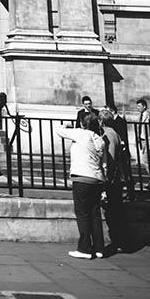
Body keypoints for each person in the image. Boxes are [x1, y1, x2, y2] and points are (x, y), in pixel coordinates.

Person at [55, 111, 107, 259]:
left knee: (82, 213)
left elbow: (59, 131)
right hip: (97, 179)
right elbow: (104, 163)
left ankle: (84, 249)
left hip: (82, 178)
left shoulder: (81, 133)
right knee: (95, 214)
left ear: (83, 124)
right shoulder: (100, 140)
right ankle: (99, 248)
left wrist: (67, 125)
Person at [100, 107, 128, 253]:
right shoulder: (115, 134)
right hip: (117, 178)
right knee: (117, 209)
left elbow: (109, 159)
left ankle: (119, 242)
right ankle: (121, 241)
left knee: (113, 212)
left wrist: (106, 179)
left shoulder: (108, 135)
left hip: (112, 180)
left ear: (101, 121)